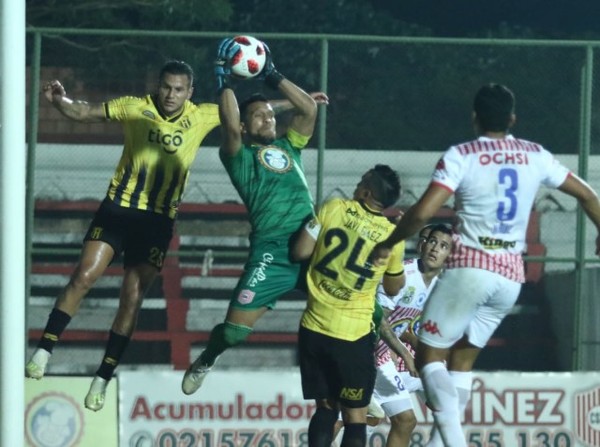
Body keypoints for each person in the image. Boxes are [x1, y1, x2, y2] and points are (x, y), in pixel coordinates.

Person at [371, 83, 600, 446]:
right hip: (511, 277)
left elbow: (426, 212)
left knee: (431, 353)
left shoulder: (462, 155)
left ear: (474, 117)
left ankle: (455, 443)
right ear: (512, 119)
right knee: (461, 361)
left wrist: (389, 242)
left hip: (470, 270)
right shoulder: (535, 154)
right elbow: (588, 194)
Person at [25, 60, 222, 411]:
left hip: (158, 220)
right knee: (83, 276)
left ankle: (102, 377)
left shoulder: (203, 115)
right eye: (166, 87)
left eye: (179, 89)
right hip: (118, 208)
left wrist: (297, 103)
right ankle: (44, 350)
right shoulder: (136, 107)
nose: (171, 95)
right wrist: (59, 102)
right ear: (157, 85)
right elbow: (85, 113)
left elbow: (253, 112)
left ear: (189, 92)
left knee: (131, 297)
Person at [181, 38, 329, 395]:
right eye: (259, 115)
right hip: (271, 252)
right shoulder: (238, 155)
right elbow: (230, 127)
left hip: (311, 243)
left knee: (364, 310)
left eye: (271, 114)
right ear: (246, 127)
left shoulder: (288, 146)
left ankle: (367, 379)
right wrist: (223, 79)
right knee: (232, 332)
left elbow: (308, 108)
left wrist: (272, 75)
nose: (269, 118)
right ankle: (208, 358)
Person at [293, 165, 405, 447]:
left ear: (367, 192)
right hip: (353, 335)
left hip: (315, 327)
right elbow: (393, 288)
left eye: (360, 181)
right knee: (355, 416)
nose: (356, 185)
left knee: (325, 408)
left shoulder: (332, 208)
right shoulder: (391, 236)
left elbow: (300, 252)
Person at [371, 224, 453, 447]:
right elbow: (378, 320)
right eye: (432, 241)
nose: (435, 248)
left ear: (450, 255)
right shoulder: (402, 276)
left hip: (396, 353)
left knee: (445, 408)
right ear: (423, 244)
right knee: (404, 420)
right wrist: (405, 354)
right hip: (375, 353)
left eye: (443, 246)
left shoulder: (442, 286)